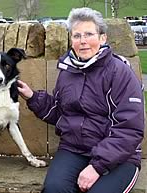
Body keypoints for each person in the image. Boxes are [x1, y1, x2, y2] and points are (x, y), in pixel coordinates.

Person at [18, 7, 144, 193]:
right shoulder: (67, 71)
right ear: (71, 40)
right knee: (54, 189)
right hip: (74, 148)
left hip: (120, 156)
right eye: (77, 36)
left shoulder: (119, 72)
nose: (83, 41)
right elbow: (61, 113)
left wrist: (96, 167)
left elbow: (130, 129)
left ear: (102, 38)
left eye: (89, 34)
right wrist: (33, 97)